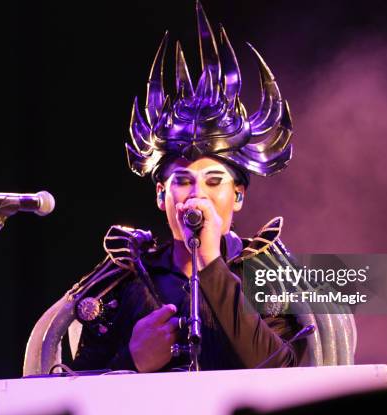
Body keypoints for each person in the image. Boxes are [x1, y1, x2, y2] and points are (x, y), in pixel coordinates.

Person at [69, 1, 301, 373]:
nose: (197, 195)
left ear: (238, 195)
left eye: (214, 181)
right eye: (181, 181)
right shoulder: (124, 282)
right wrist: (132, 362)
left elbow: (285, 372)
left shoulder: (269, 277)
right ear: (161, 195)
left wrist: (210, 263)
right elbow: (66, 388)